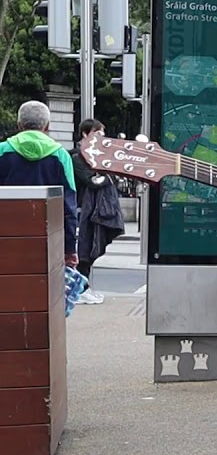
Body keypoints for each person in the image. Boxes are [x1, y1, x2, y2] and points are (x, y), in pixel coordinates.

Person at [0, 101, 78, 271]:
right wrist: (70, 248)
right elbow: (69, 207)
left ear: (19, 125)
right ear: (47, 126)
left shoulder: (2, 151)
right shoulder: (61, 155)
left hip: (6, 237)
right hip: (47, 239)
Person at [70, 118, 124, 304]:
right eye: (97, 133)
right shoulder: (77, 157)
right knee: (82, 251)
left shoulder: (96, 157)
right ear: (85, 134)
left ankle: (83, 288)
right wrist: (107, 177)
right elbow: (91, 182)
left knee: (89, 251)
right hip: (79, 211)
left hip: (90, 211)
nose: (101, 138)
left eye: (102, 134)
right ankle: (79, 289)